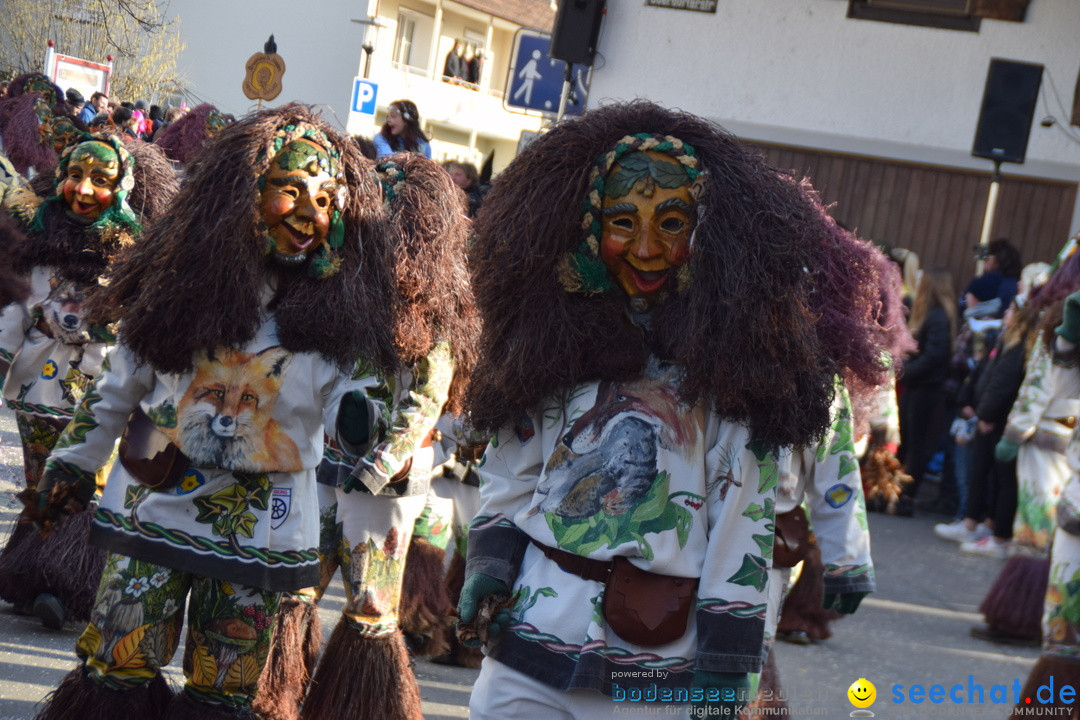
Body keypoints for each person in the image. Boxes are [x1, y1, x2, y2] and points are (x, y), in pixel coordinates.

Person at [456, 101, 889, 718]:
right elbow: (511, 470)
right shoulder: (555, 352)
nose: (647, 248)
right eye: (622, 222)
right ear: (585, 230)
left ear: (711, 238)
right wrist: (490, 565)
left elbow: (742, 515)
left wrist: (729, 665)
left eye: (672, 222)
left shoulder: (739, 378)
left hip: (660, 659)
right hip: (531, 635)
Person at [24, 104, 400, 720]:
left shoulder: (337, 320)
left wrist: (366, 413)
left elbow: (351, 406)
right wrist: (72, 462)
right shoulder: (180, 289)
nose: (312, 214)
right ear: (243, 197)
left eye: (328, 200)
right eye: (292, 191)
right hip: (156, 509)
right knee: (118, 659)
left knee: (225, 683)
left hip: (259, 528)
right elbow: (119, 382)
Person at [0, 131, 179, 629]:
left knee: (82, 481)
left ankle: (65, 580)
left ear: (121, 188)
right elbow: (15, 306)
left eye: (100, 180)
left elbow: (141, 328)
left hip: (97, 389)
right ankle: (28, 574)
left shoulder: (135, 253)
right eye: (76, 175)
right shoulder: (36, 238)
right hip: (38, 387)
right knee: (42, 478)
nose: (83, 189)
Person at [897, 268, 957, 516]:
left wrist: (905, 371)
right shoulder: (937, 316)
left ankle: (905, 497)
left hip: (925, 388)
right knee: (911, 443)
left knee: (916, 445)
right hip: (921, 386)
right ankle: (900, 494)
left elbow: (934, 356)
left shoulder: (937, 317)